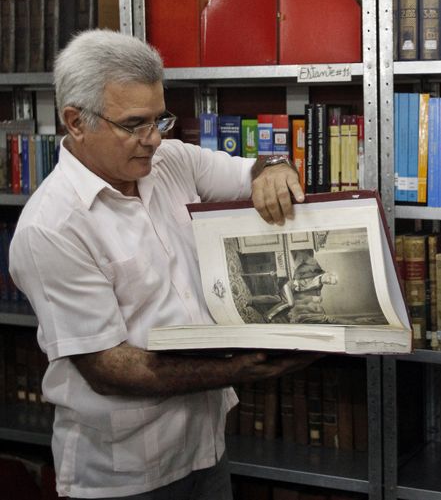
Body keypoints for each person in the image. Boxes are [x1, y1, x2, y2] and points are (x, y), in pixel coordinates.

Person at [8, 30, 320, 500]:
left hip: (206, 448)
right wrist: (243, 369)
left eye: (160, 119)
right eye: (135, 124)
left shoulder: (170, 161)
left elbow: (253, 168)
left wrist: (276, 166)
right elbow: (109, 368)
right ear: (75, 121)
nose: (153, 139)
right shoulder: (51, 227)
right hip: (123, 474)